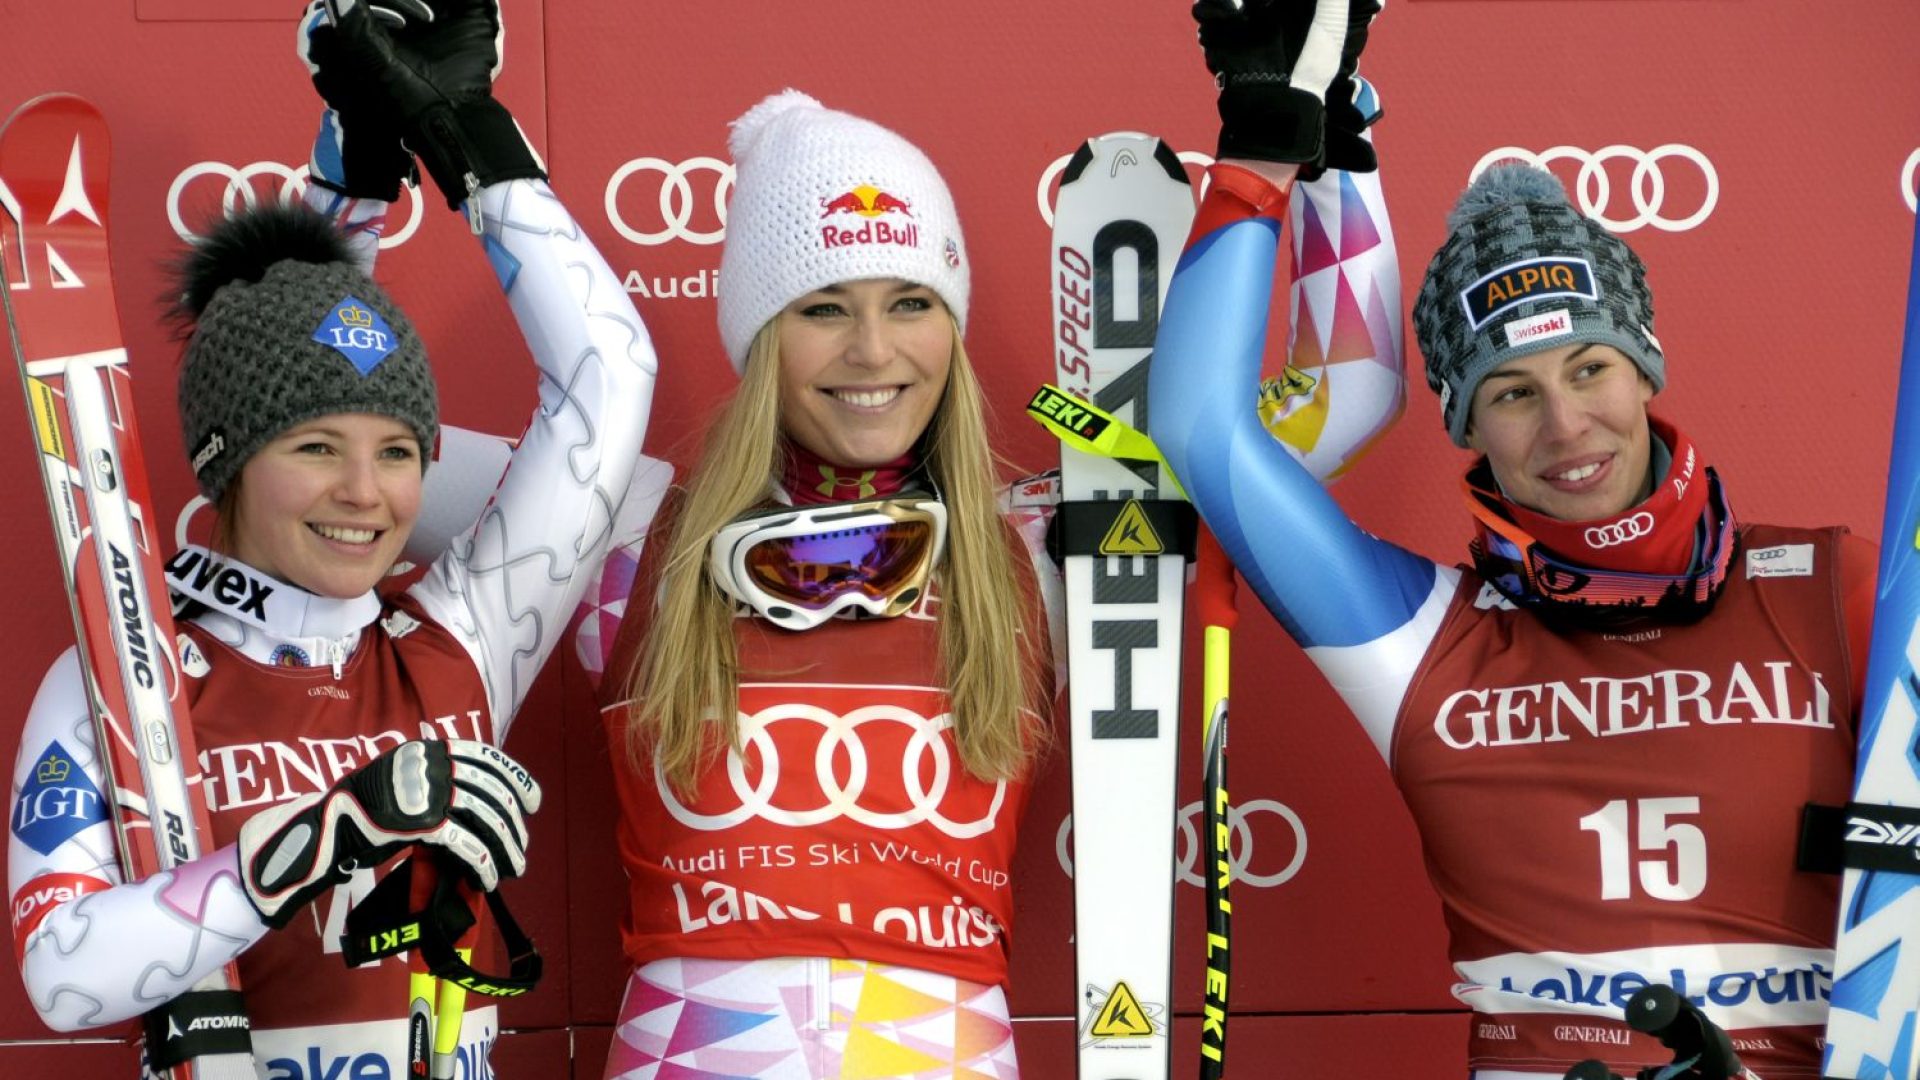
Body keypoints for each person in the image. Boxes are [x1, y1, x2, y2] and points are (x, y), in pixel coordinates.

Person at [574, 71, 1403, 1072]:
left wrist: (1323, 145)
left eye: (912, 302)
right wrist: (347, 201)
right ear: (760, 336)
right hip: (688, 1047)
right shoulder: (628, 544)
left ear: (951, 328)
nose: (874, 350)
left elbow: (1348, 393)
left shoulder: (1043, 546)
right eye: (823, 308)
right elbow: (349, 455)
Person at [1149, 3, 1871, 1078]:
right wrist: (1260, 152)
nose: (1567, 428)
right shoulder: (1422, 638)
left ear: (1645, 369)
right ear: (1465, 423)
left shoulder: (1837, 588)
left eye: (1590, 370)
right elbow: (1204, 427)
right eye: (1512, 392)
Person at [6, 1, 658, 1075]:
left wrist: (469, 134)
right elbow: (62, 971)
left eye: (401, 452)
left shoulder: (456, 641)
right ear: (229, 458)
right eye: (314, 446)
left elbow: (609, 381)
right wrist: (320, 839)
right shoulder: (131, 678)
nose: (365, 494)